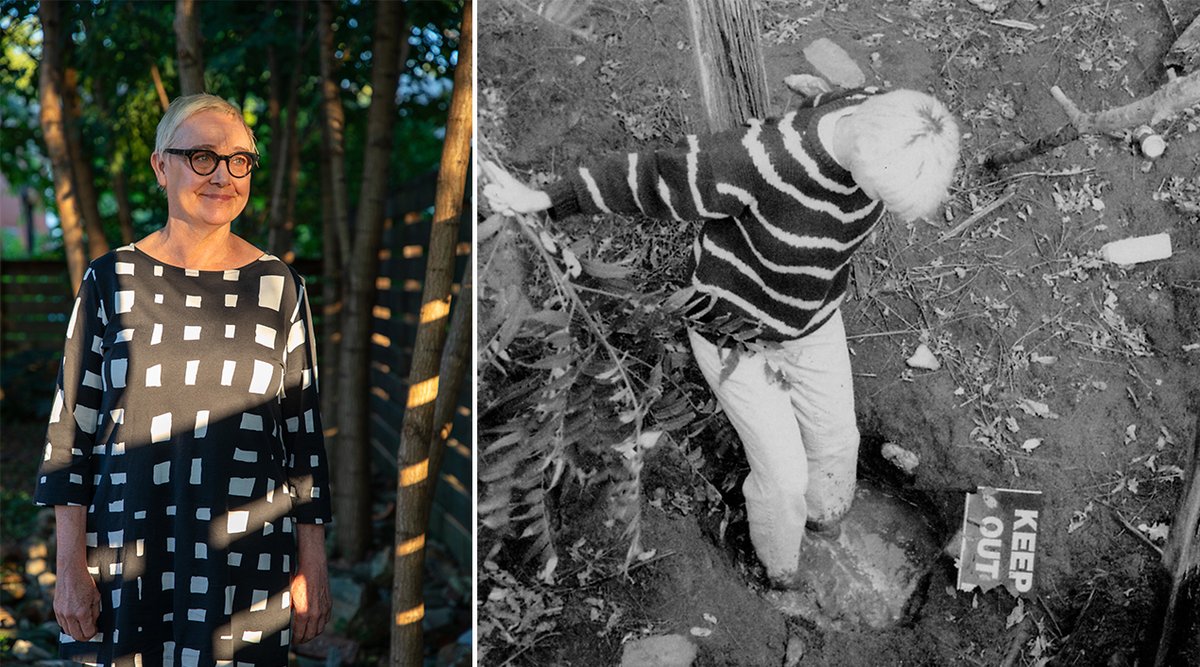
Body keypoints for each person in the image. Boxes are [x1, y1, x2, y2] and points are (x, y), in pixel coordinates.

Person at [483, 87, 960, 589]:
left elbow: (831, 96)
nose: (877, 203)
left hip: (815, 319)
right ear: (860, 146)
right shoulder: (758, 161)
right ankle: (785, 575)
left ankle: (829, 524)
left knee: (839, 441)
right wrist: (547, 199)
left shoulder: (876, 108)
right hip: (735, 333)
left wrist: (809, 93)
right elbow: (654, 177)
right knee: (783, 481)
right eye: (881, 191)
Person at [35, 93, 333, 665]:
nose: (223, 175)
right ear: (159, 166)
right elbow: (69, 433)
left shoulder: (281, 288)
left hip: (250, 559)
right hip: (127, 552)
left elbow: (303, 442)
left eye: (239, 160)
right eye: (201, 157)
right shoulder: (111, 280)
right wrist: (69, 566)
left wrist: (311, 564)